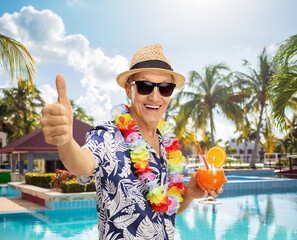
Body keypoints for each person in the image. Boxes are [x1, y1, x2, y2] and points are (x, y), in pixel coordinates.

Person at [41, 44, 225, 240]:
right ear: (129, 90)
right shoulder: (107, 136)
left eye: (165, 88)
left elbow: (164, 211)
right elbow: (81, 164)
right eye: (145, 86)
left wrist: (188, 194)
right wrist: (65, 141)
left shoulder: (168, 144)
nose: (155, 97)